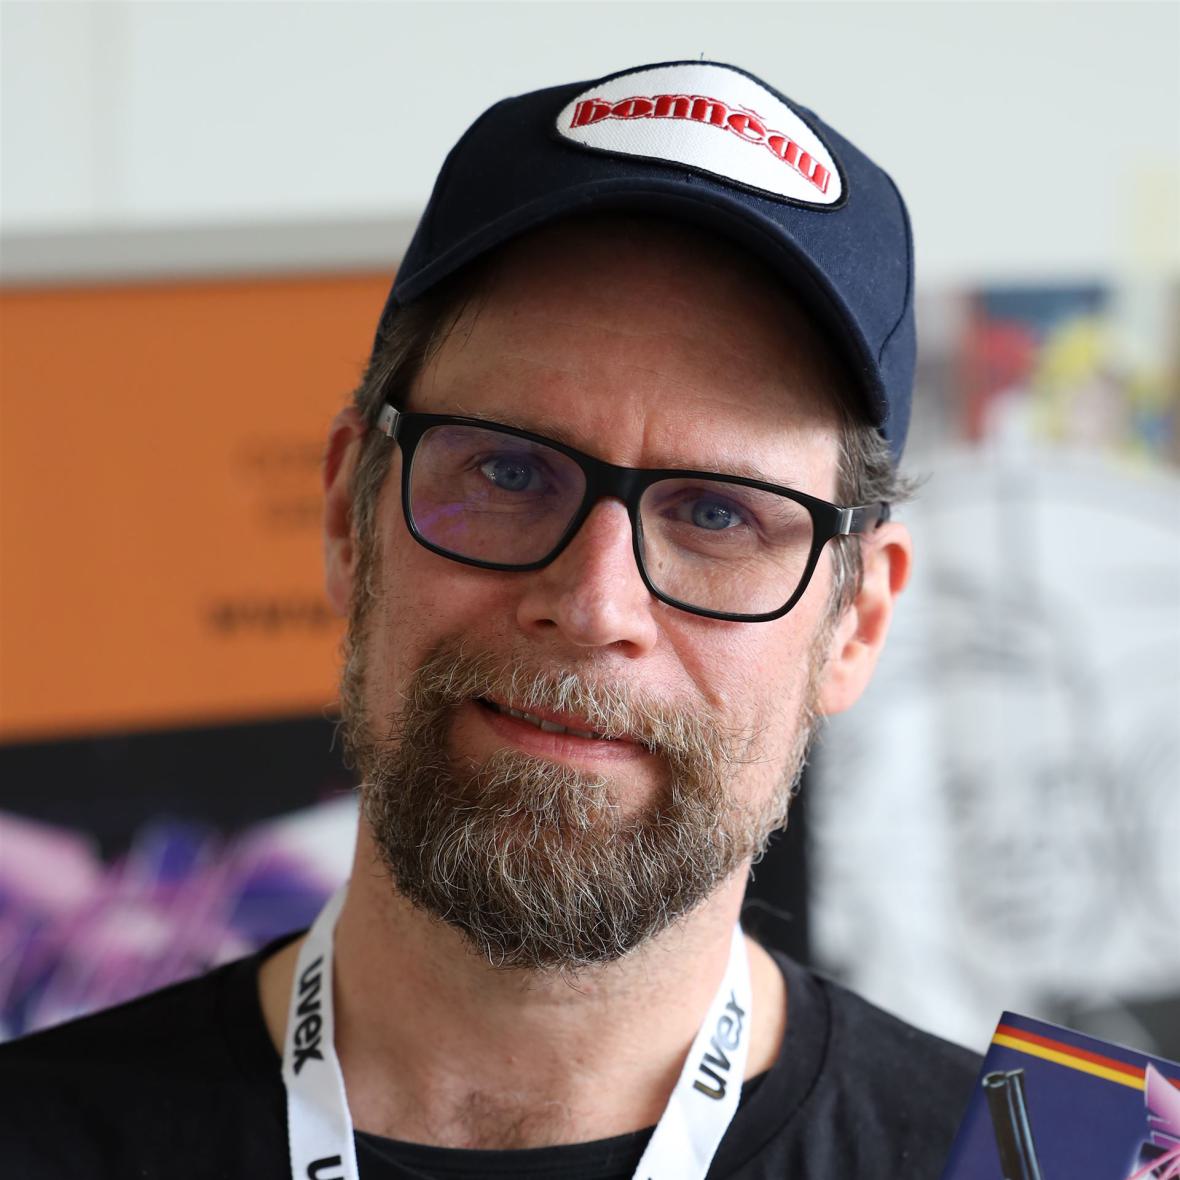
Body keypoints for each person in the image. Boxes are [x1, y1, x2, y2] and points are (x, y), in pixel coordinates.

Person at [0, 61, 981, 1178]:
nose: (594, 604)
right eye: (510, 472)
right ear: (349, 516)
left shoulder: (1047, 1162)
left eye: (718, 513)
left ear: (855, 624)